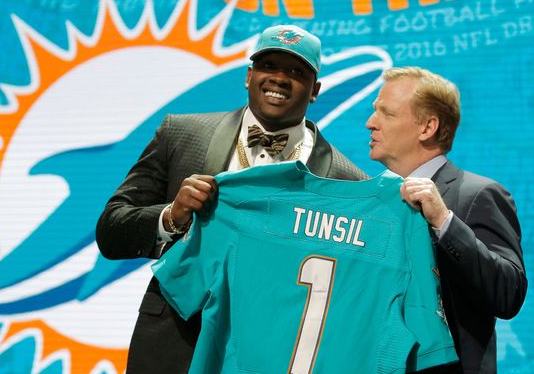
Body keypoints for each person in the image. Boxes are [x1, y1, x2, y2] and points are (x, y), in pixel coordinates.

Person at [96, 24, 368, 373]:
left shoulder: (344, 179)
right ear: (249, 75)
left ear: (315, 90)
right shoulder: (182, 134)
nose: (280, 79)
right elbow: (110, 231)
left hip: (274, 351)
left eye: (296, 72)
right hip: (175, 341)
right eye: (269, 66)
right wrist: (171, 216)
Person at [365, 66, 527, 374]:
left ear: (427, 128)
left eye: (386, 113)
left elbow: (509, 293)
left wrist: (444, 221)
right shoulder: (373, 201)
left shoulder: (478, 194)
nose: (370, 123)